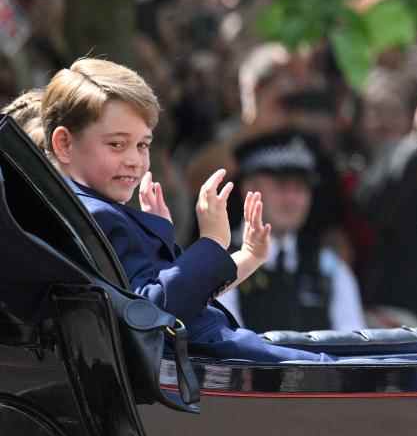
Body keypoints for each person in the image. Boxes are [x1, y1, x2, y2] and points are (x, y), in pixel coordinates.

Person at [41, 58, 333, 362]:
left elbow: (174, 295)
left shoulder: (92, 212)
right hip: (201, 368)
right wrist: (211, 242)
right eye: (116, 145)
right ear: (64, 144)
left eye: (142, 145)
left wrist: (244, 257)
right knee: (337, 368)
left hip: (204, 358)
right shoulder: (96, 218)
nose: (134, 161)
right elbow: (150, 314)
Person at [218, 128, 364, 332]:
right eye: (281, 186)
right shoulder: (220, 263)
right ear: (249, 188)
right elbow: (225, 348)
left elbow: (353, 347)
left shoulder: (330, 269)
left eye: (300, 188)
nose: (292, 199)